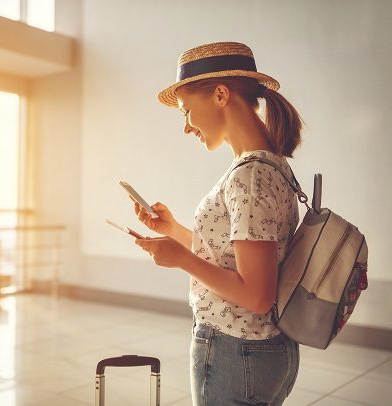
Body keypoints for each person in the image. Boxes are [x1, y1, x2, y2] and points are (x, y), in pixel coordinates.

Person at [133, 42, 302, 405]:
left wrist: (181, 259)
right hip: (262, 351)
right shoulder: (270, 165)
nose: (186, 127)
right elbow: (235, 253)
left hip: (235, 352)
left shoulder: (249, 177)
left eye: (186, 111)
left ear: (221, 95)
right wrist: (174, 231)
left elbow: (256, 295)